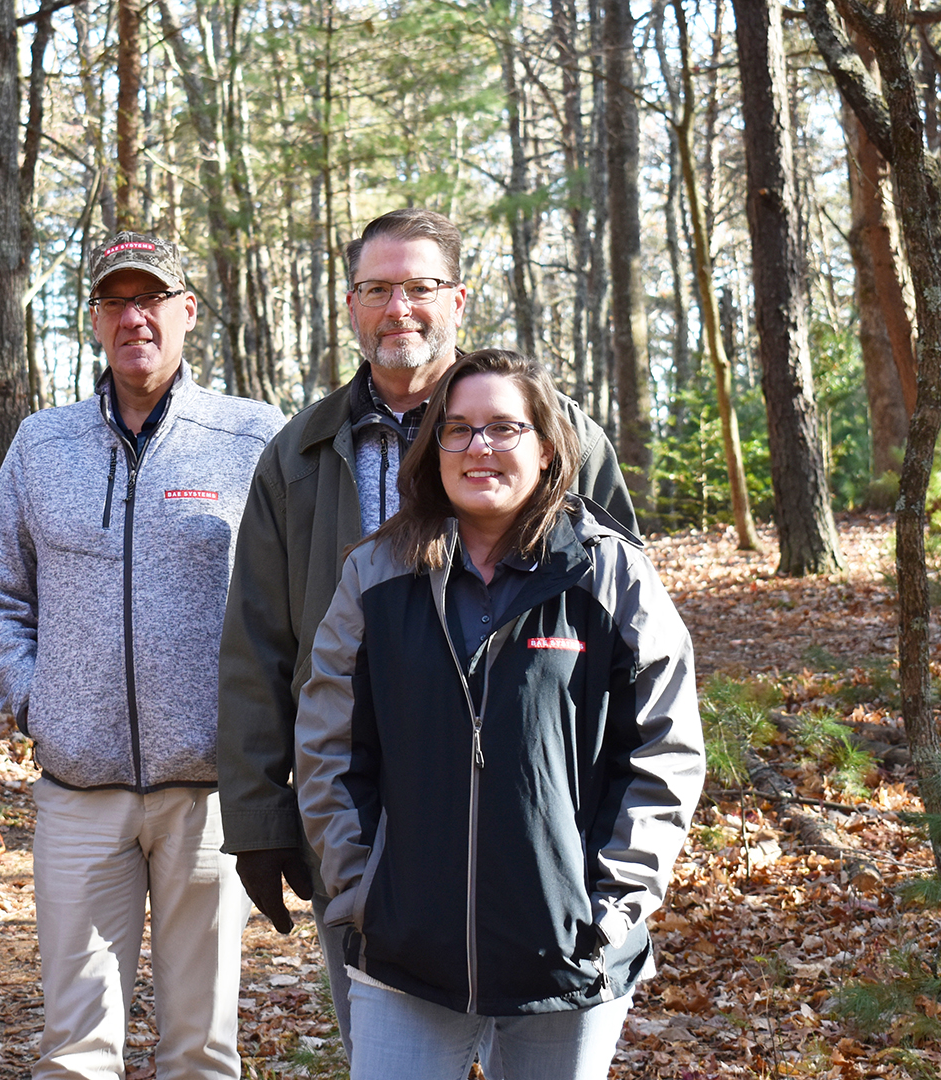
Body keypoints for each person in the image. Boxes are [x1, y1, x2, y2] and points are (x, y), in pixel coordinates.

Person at [216, 208, 638, 1047]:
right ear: (350, 305)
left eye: (419, 287)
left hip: (540, 834)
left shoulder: (555, 434)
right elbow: (257, 644)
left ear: (457, 299)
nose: (397, 308)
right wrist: (262, 821)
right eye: (377, 289)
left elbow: (624, 638)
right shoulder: (300, 455)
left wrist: (614, 851)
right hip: (368, 832)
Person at [294, 349, 702, 1078]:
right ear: (435, 449)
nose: (479, 447)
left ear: (545, 449)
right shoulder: (376, 574)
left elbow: (665, 753)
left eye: (502, 428)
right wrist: (363, 897)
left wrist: (613, 909)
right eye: (457, 430)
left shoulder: (610, 575)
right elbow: (327, 745)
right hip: (404, 959)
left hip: (570, 955)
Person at [0, 232, 282, 1080]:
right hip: (79, 794)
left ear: (186, 313)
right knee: (73, 1049)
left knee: (203, 1050)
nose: (134, 317)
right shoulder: (43, 443)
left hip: (209, 794)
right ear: (95, 320)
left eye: (152, 300)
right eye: (116, 301)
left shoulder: (251, 438)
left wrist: (260, 736)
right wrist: (40, 703)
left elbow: (295, 602)